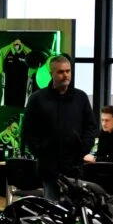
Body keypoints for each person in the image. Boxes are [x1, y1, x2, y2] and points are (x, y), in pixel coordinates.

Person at [21, 55, 97, 200]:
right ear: (52, 74)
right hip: (48, 166)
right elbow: (28, 130)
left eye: (68, 71)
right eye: (61, 72)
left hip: (74, 166)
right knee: (52, 208)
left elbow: (91, 127)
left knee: (75, 208)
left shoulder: (80, 97)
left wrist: (83, 148)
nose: (66, 75)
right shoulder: (37, 99)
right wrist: (39, 150)